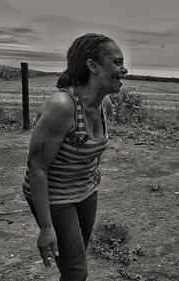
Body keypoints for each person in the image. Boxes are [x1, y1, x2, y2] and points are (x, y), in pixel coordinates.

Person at [22, 33, 127, 280]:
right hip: (55, 197)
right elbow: (37, 168)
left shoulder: (105, 104)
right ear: (93, 66)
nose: (124, 69)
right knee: (77, 272)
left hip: (85, 191)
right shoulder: (63, 106)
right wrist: (47, 228)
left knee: (74, 263)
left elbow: (94, 146)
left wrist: (93, 166)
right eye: (117, 62)